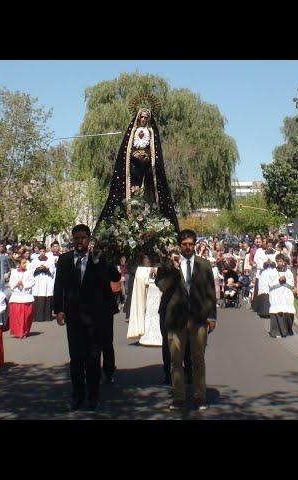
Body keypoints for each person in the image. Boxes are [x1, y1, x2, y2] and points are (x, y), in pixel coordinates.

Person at [53, 224, 120, 411]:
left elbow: (114, 276)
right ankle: (77, 396)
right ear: (72, 239)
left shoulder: (97, 258)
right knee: (76, 359)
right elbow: (59, 285)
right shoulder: (65, 259)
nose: (79, 241)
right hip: (74, 317)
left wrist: (101, 261)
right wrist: (58, 309)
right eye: (76, 238)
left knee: (92, 358)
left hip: (94, 318)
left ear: (89, 239)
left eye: (83, 238)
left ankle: (93, 396)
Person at [155, 229, 216, 411]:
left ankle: (199, 396)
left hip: (198, 318)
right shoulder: (168, 264)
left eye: (191, 244)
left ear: (195, 244)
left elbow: (210, 293)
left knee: (198, 359)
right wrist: (173, 270)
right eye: (185, 245)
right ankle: (178, 397)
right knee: (176, 360)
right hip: (175, 318)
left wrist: (211, 316)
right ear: (179, 245)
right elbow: (162, 286)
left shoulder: (204, 265)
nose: (188, 248)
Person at [95, 100, 179, 233]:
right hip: (133, 169)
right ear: (138, 117)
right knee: (132, 191)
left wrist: (148, 157)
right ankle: (130, 216)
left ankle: (149, 216)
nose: (144, 119)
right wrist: (134, 154)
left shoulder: (151, 132)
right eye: (142, 117)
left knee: (148, 192)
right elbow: (126, 150)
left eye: (146, 117)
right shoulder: (132, 132)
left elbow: (155, 152)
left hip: (147, 169)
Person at [268, 253, 295, 338]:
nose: (280, 263)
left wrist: (285, 281)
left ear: (284, 261)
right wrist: (279, 281)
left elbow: (292, 285)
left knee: (288, 312)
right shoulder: (272, 272)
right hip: (276, 295)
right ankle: (276, 332)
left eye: (281, 261)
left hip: (286, 295)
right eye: (278, 261)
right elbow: (270, 284)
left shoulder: (289, 272)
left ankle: (287, 330)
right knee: (277, 312)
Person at [9, 257, 36, 339]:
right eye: (23, 263)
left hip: (26, 297)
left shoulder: (29, 272)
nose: (25, 264)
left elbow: (32, 282)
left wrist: (23, 283)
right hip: (16, 297)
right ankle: (20, 333)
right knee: (18, 318)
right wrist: (17, 283)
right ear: (19, 264)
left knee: (27, 316)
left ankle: (25, 331)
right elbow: (11, 283)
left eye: (26, 263)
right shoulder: (13, 272)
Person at [30, 246, 55, 323]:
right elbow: (31, 271)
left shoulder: (50, 260)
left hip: (47, 281)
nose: (42, 253)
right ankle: (38, 317)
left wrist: (46, 269)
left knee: (47, 297)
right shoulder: (34, 261)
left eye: (43, 251)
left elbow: (53, 270)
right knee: (38, 298)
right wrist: (38, 269)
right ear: (39, 252)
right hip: (38, 282)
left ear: (45, 252)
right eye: (40, 251)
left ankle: (47, 316)